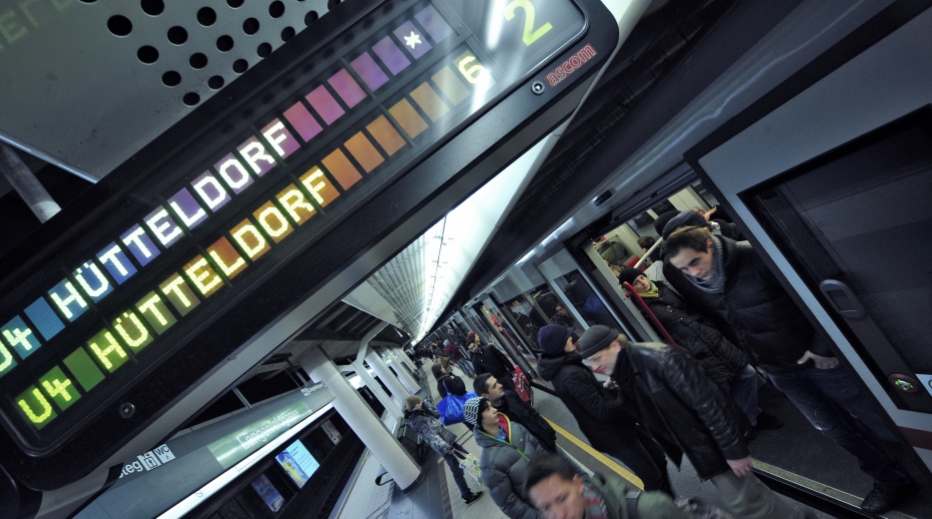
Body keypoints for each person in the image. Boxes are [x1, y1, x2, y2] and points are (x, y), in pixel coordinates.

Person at [663, 225, 917, 513]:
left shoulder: (757, 258)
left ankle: (924, 463)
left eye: (694, 262)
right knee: (835, 429)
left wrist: (823, 348)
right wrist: (757, 362)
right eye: (684, 269)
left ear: (709, 244)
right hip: (780, 371)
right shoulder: (703, 284)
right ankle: (891, 479)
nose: (693, 274)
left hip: (820, 362)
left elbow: (818, 296)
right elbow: (735, 323)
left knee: (879, 419)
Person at [579, 325, 811, 519]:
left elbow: (709, 404)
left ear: (616, 346)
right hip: (698, 443)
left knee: (746, 503)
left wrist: (733, 450)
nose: (596, 368)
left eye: (597, 359)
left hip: (713, 444)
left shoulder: (661, 360)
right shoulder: (627, 369)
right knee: (749, 493)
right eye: (591, 363)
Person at [617, 267, 781, 434]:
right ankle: (752, 419)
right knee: (721, 388)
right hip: (691, 349)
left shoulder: (664, 287)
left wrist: (707, 325)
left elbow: (690, 307)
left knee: (747, 373)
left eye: (642, 277)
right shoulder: (640, 311)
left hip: (708, 336)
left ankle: (747, 419)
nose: (643, 283)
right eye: (636, 283)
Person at [535, 324, 672, 495]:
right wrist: (622, 392)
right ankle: (666, 510)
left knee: (659, 458)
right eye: (567, 337)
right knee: (653, 479)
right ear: (560, 344)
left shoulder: (569, 362)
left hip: (621, 426)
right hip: (614, 436)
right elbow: (601, 411)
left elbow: (592, 392)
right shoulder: (569, 375)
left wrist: (606, 386)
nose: (571, 337)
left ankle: (671, 504)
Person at [525, 452, 693, 519]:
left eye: (562, 498)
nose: (559, 515)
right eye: (546, 508)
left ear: (578, 484)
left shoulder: (650, 509)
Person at [464, 397, 544, 519]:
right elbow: (509, 504)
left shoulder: (515, 428)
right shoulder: (489, 465)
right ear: (479, 420)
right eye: (488, 409)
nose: (494, 410)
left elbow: (543, 453)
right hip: (541, 509)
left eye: (491, 406)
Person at [404, 396, 484, 505]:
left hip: (447, 440)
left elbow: (437, 414)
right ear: (414, 406)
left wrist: (426, 406)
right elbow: (431, 437)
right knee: (457, 469)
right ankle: (467, 495)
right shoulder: (418, 420)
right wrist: (447, 448)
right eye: (419, 402)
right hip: (445, 447)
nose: (421, 402)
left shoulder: (421, 412)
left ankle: (481, 474)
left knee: (466, 456)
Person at [474, 373, 557, 453]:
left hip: (547, 440)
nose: (500, 385)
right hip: (536, 452)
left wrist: (548, 430)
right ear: (485, 395)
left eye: (497, 382)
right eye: (494, 386)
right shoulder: (494, 419)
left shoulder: (509, 395)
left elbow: (531, 412)